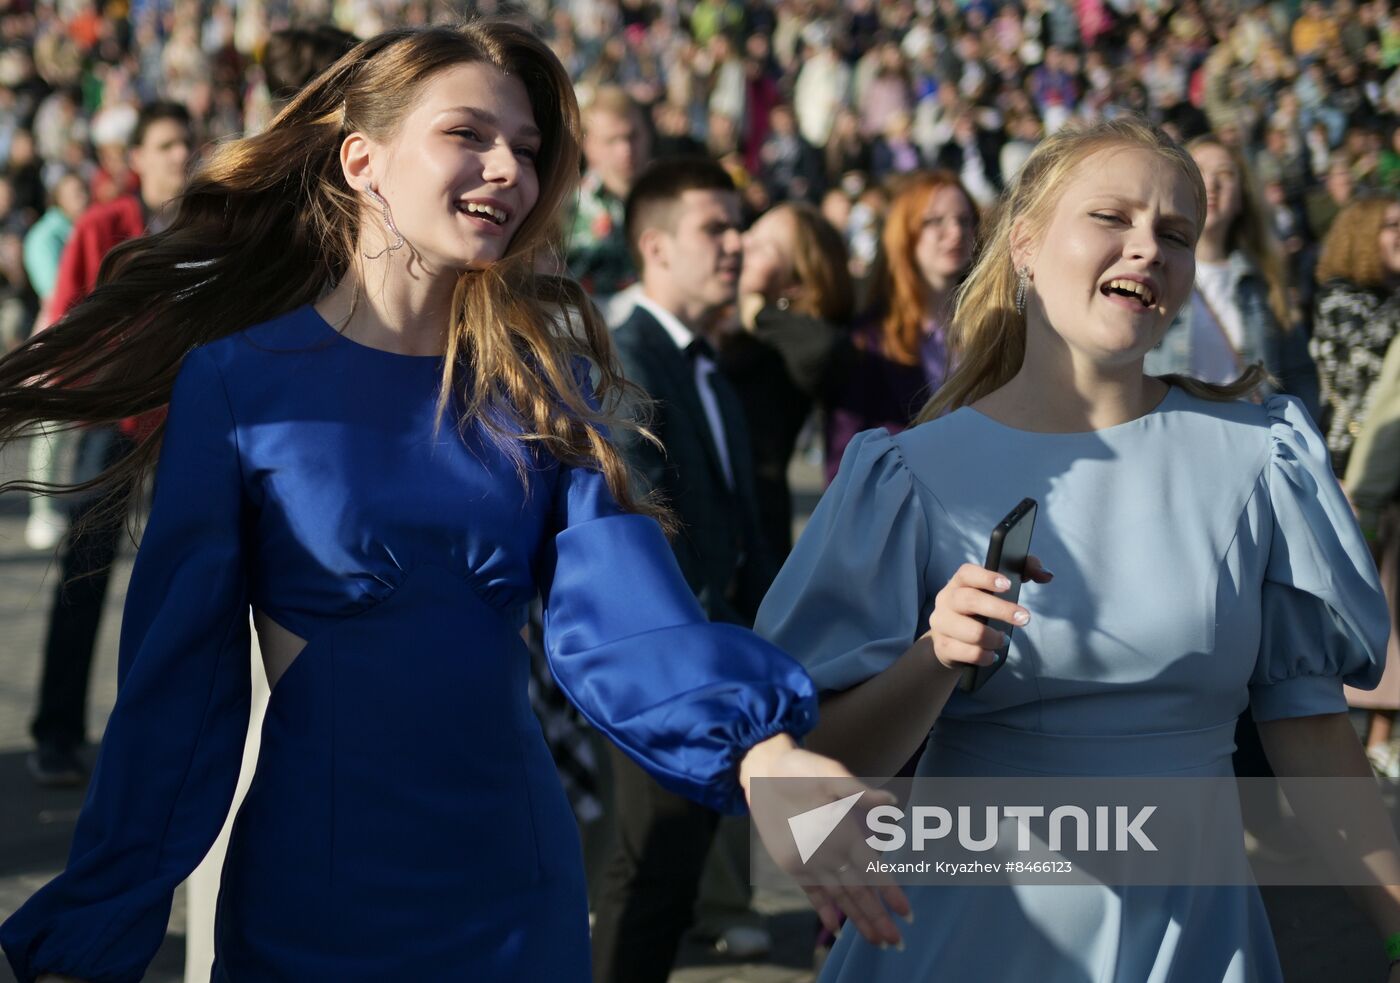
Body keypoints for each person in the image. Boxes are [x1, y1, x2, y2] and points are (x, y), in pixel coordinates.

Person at [0, 24, 894, 982]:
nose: (508, 169)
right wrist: (88, 939)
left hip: (517, 894)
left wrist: (763, 755)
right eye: (468, 133)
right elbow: (174, 702)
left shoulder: (546, 390)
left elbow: (628, 621)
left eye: (528, 148)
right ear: (363, 161)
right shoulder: (236, 383)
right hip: (314, 901)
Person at [756, 117, 1400, 981]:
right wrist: (934, 657)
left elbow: (1313, 734)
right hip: (968, 937)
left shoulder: (1259, 458)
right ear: (1024, 243)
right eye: (1112, 217)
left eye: (1176, 233)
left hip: (1192, 939)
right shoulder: (907, 474)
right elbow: (817, 762)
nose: (1148, 248)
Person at [590, 156, 778, 979]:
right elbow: (649, 535)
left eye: (739, 227)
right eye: (715, 228)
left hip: (716, 656)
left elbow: (741, 529)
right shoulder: (626, 359)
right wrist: (729, 659)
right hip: (666, 664)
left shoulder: (710, 366)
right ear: (656, 247)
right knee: (651, 868)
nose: (737, 245)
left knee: (671, 873)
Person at [23, 101, 193, 786]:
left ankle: (164, 743)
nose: (180, 155)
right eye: (166, 144)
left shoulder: (212, 232)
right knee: (84, 579)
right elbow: (66, 317)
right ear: (138, 158)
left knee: (185, 584)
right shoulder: (103, 226)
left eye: (186, 143)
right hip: (112, 424)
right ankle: (56, 733)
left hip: (189, 427)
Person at [1308, 194, 1400, 774]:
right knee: (1354, 600)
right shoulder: (1342, 299)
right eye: (1391, 225)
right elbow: (1354, 378)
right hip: (1351, 465)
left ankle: (1381, 736)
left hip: (1385, 469)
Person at [1145, 135, 1320, 419]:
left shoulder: (1263, 283)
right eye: (1199, 170)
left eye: (1225, 174)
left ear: (1241, 198)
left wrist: (1290, 430)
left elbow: (1299, 372)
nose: (1211, 183)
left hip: (1250, 438)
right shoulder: (1148, 269)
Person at [720, 201, 854, 557]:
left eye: (764, 247)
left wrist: (757, 313)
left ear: (795, 284)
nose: (743, 244)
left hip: (755, 528)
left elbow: (823, 348)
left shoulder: (786, 343)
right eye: (750, 233)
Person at [825, 170, 977, 482]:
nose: (955, 232)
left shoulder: (992, 330)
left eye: (964, 220)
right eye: (936, 221)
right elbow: (844, 467)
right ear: (905, 232)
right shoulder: (869, 340)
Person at [19, 171, 89, 550]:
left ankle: (63, 503)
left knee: (72, 434)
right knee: (50, 433)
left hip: (81, 340)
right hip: (57, 342)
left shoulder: (80, 229)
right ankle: (41, 509)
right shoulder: (47, 235)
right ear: (58, 196)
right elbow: (56, 290)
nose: (83, 196)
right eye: (75, 190)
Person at [565, 84, 651, 319]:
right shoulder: (566, 208)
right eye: (612, 140)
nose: (626, 150)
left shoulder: (667, 198)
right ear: (587, 144)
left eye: (633, 136)